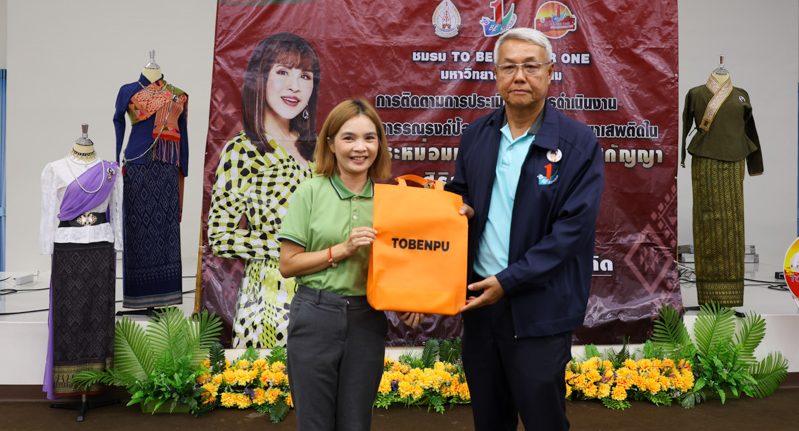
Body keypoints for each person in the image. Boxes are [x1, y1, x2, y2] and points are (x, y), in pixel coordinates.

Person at [445, 28, 604, 431]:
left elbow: (571, 232)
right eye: (509, 67)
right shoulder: (477, 135)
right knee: (490, 421)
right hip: (482, 304)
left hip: (540, 309)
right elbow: (458, 199)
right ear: (496, 74)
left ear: (550, 72)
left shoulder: (578, 143)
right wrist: (456, 210)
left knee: (543, 421)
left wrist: (509, 280)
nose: (519, 77)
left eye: (531, 67)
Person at [278, 99, 424, 430]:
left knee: (356, 423)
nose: (360, 147)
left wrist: (405, 304)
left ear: (379, 144)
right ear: (330, 143)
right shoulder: (310, 192)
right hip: (314, 316)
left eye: (370, 138)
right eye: (349, 138)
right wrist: (340, 250)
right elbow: (288, 264)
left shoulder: (392, 200)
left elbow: (397, 266)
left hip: (366, 319)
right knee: (314, 423)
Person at [208, 32, 321, 348]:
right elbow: (220, 236)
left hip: (322, 290)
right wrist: (288, 251)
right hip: (271, 295)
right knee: (271, 377)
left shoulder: (317, 151)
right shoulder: (243, 150)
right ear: (260, 79)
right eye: (283, 72)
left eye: (305, 76)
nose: (294, 86)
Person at [40, 125, 122, 405]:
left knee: (100, 313)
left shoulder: (110, 171)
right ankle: (70, 384)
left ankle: (96, 383)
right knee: (69, 314)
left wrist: (119, 242)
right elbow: (48, 212)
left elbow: (117, 210)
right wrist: (46, 246)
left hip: (101, 245)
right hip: (67, 246)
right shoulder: (55, 169)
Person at [680, 61, 762, 307]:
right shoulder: (695, 94)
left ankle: (731, 294)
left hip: (735, 163)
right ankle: (708, 295)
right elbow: (684, 126)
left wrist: (755, 164)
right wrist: (681, 157)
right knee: (706, 222)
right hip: (704, 162)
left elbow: (750, 131)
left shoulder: (741, 95)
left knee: (733, 224)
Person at [113, 53, 188, 311]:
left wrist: (183, 167)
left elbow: (183, 134)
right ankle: (139, 297)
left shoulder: (177, 94)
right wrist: (116, 156)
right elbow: (118, 120)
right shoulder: (127, 91)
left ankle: (166, 296)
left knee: (166, 232)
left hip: (167, 167)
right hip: (137, 164)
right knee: (137, 229)